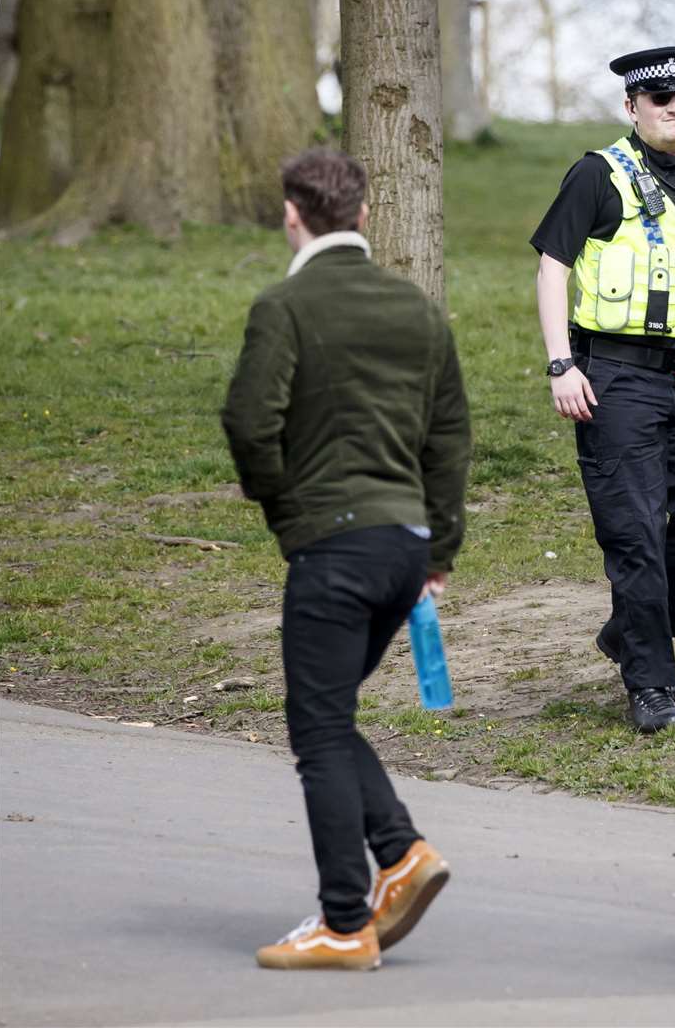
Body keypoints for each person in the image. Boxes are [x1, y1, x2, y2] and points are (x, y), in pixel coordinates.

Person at [222, 147, 472, 970]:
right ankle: (401, 854)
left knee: (317, 730)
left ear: (291, 216)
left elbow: (250, 423)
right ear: (363, 215)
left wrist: (291, 517)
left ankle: (343, 920)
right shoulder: (418, 310)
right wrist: (438, 546)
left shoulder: (285, 305)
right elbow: (449, 440)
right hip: (404, 550)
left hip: (335, 545)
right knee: (326, 715)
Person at [530, 45, 675, 733]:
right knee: (634, 534)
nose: (673, 107)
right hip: (615, 378)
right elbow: (552, 269)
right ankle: (652, 687)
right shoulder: (597, 176)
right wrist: (559, 364)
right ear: (631, 106)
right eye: (658, 98)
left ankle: (633, 631)